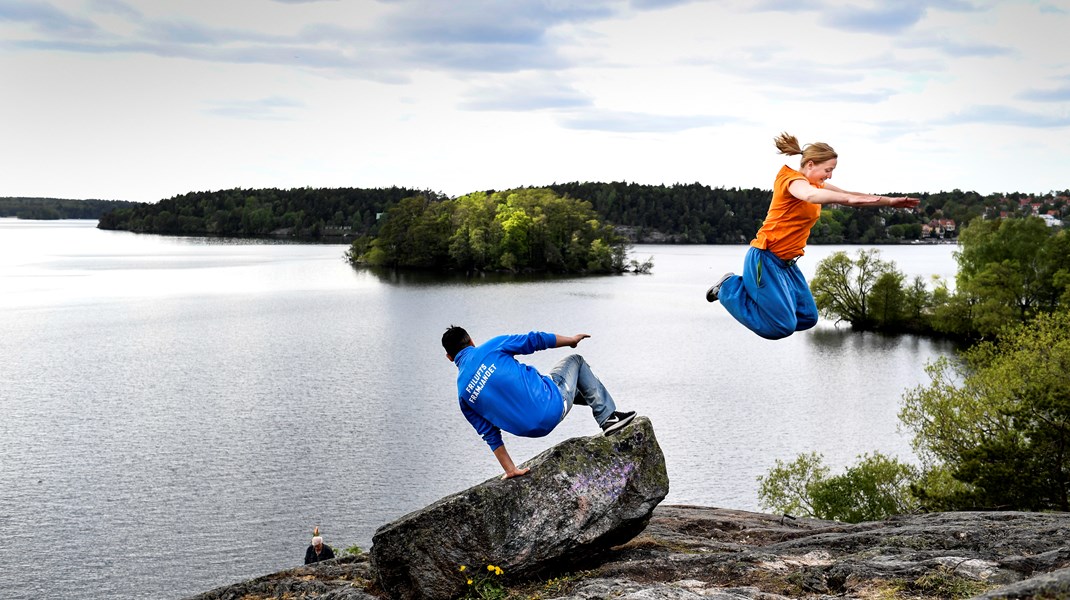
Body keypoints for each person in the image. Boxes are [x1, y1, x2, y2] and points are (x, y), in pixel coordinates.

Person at [706, 132, 920, 340]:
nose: (830, 175)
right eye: (828, 170)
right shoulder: (790, 181)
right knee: (781, 327)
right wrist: (847, 200)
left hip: (787, 264)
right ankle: (729, 288)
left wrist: (890, 201)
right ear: (810, 165)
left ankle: (756, 296)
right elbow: (810, 195)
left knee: (808, 317)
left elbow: (852, 195)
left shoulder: (814, 183)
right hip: (765, 257)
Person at [441, 326, 636, 480]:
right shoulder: (491, 347)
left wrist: (511, 470)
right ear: (472, 341)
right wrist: (572, 340)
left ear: (449, 357)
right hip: (552, 405)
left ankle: (590, 398)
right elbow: (535, 340)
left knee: (568, 384)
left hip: (535, 431)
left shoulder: (463, 395)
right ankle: (608, 418)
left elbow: (489, 434)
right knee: (575, 361)